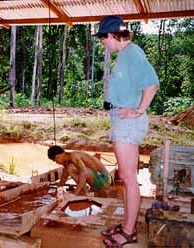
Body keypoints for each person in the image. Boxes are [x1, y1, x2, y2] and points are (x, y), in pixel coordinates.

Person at [95, 16, 159, 247]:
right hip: (121, 118)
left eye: (103, 38)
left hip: (128, 121)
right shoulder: (125, 55)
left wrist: (139, 110)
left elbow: (151, 84)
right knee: (125, 176)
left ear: (111, 35)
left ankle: (129, 232)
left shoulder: (132, 54)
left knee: (130, 178)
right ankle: (126, 224)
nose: (103, 43)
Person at [47, 145, 111, 195]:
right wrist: (58, 190)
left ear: (58, 156)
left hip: (104, 179)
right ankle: (85, 191)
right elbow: (64, 177)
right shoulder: (67, 161)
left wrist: (76, 192)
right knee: (69, 168)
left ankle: (85, 192)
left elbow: (84, 173)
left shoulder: (74, 156)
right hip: (97, 181)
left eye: (55, 160)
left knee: (71, 168)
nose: (57, 162)